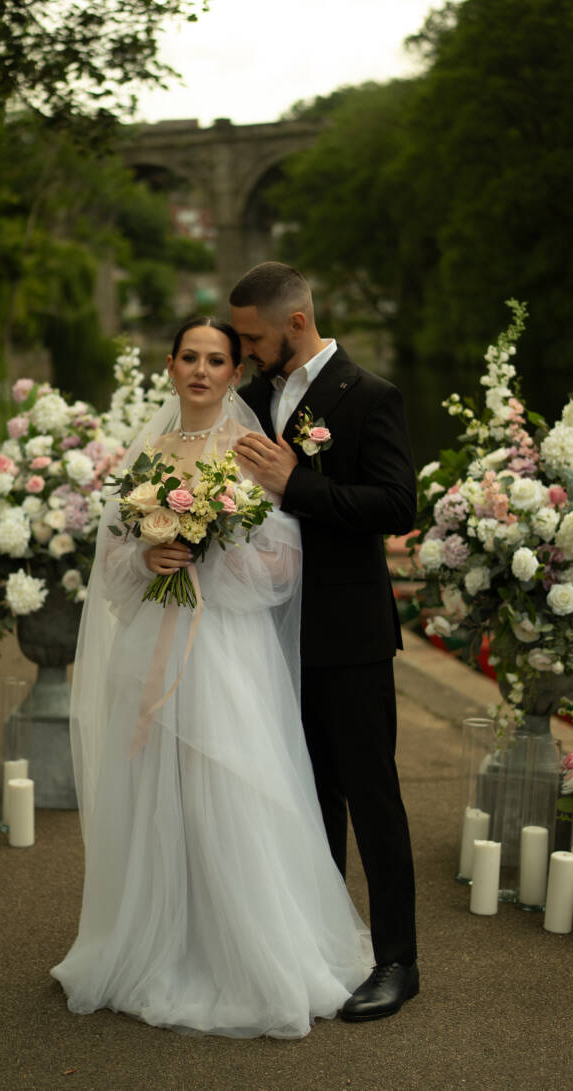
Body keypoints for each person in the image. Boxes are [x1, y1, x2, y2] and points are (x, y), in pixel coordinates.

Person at [51, 318, 372, 1039]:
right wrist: (150, 558)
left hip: (227, 647)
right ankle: (161, 942)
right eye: (190, 357)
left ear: (234, 373)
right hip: (154, 641)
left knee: (226, 783)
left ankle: (243, 951)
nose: (201, 370)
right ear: (170, 366)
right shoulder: (150, 454)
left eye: (217, 359)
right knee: (157, 787)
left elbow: (285, 566)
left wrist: (215, 548)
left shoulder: (250, 452)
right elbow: (112, 562)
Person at [229, 262, 418, 1022]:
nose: (244, 351)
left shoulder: (369, 395)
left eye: (252, 337)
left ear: (297, 324)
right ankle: (325, 947)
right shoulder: (250, 400)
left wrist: (297, 484)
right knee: (305, 799)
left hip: (349, 631)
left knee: (371, 796)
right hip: (268, 632)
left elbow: (397, 504)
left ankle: (398, 960)